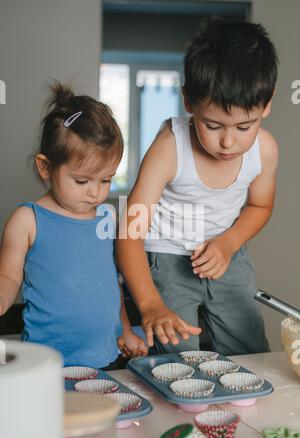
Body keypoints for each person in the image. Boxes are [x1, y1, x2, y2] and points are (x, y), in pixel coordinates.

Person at [116, 18, 279, 356]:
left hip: (228, 254)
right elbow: (130, 231)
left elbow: (259, 206)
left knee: (249, 350)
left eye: (245, 126)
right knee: (178, 357)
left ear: (267, 105)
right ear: (189, 102)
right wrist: (149, 305)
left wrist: (228, 243)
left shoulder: (265, 150)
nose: (229, 142)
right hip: (169, 257)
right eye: (213, 125)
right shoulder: (169, 147)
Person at [0, 82, 147, 368]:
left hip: (105, 358)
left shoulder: (107, 217)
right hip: (47, 362)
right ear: (46, 168)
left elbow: (110, 283)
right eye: (82, 181)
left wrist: (126, 331)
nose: (96, 192)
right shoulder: (28, 220)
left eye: (106, 179)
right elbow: (8, 277)